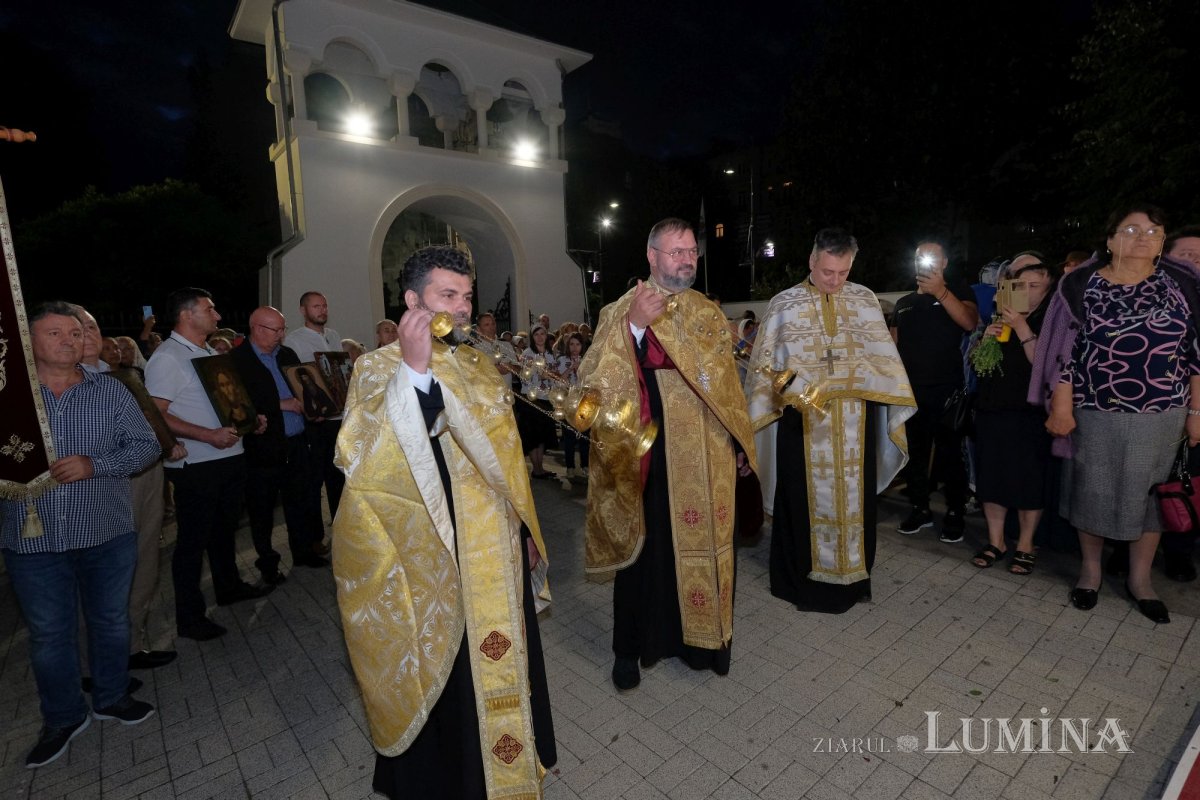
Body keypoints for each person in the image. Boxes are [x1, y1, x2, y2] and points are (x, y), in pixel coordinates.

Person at [333, 245, 555, 799]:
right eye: (447, 295)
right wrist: (413, 370)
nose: (461, 308)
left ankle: (512, 761)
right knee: (449, 670)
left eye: (467, 296)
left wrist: (525, 530)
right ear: (412, 300)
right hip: (435, 552)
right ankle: (455, 779)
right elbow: (366, 465)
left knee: (507, 661)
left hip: (496, 544)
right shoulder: (375, 368)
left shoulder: (477, 364)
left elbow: (505, 463)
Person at [579, 218, 756, 690]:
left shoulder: (707, 312)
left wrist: (739, 441)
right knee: (644, 550)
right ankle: (629, 650)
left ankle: (707, 642)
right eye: (675, 251)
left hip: (708, 450)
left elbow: (728, 387)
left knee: (712, 546)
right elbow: (593, 382)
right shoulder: (621, 309)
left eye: (691, 251)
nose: (686, 259)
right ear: (652, 256)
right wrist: (636, 326)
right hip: (650, 450)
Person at [2, 302, 160, 768]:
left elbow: (145, 446)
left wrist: (96, 465)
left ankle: (111, 696)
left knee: (111, 621)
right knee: (50, 636)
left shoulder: (107, 392)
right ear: (28, 344)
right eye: (55, 334)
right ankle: (64, 716)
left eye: (75, 333)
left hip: (105, 532)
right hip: (33, 540)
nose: (70, 341)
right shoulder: (10, 399)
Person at [1031, 204, 1200, 624]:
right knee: (1093, 491)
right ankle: (1090, 572)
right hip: (1094, 411)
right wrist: (1062, 405)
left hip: (1164, 414)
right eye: (1131, 229)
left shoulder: (1182, 283)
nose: (1143, 237)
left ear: (1163, 242)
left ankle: (1141, 580)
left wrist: (1197, 410)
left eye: (1154, 231)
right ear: (1109, 240)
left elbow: (1197, 354)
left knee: (1150, 500)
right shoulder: (1080, 284)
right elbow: (1063, 353)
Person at [747, 228, 915, 614]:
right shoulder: (783, 304)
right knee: (800, 501)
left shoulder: (865, 300)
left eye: (842, 273)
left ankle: (853, 581)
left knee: (856, 502)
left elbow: (883, 362)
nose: (835, 281)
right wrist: (784, 386)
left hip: (855, 422)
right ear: (812, 262)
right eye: (827, 272)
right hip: (801, 424)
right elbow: (763, 368)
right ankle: (799, 584)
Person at [146, 288, 273, 641]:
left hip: (229, 457)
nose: (217, 316)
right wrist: (206, 435)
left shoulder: (204, 352)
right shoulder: (168, 357)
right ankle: (189, 617)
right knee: (192, 542)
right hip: (199, 464)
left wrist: (250, 421)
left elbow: (223, 401)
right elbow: (157, 412)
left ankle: (228, 586)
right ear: (187, 315)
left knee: (223, 531)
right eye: (209, 309)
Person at [72, 305, 180, 673]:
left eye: (91, 326)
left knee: (145, 560)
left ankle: (132, 646)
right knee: (104, 573)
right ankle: (95, 666)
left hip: (145, 473)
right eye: (77, 328)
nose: (86, 335)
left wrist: (167, 443)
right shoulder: (61, 383)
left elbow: (149, 420)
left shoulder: (121, 377)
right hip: (102, 485)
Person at [889, 238, 979, 542]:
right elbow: (894, 349)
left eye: (931, 257)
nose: (924, 262)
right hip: (912, 392)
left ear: (944, 264)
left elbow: (969, 322)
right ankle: (920, 507)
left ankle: (955, 511)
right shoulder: (903, 304)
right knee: (914, 454)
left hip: (947, 391)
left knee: (951, 453)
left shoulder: (958, 292)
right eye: (919, 258)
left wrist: (941, 290)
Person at [231, 307, 329, 584]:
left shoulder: (286, 355)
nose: (282, 335)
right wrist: (280, 405)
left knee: (299, 500)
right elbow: (238, 404)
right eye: (277, 330)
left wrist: (313, 407)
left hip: (297, 441)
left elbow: (303, 387)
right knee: (262, 509)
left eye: (283, 329)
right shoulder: (237, 360)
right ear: (258, 328)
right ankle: (267, 565)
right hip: (263, 445)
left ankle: (302, 551)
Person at [970, 259, 1054, 574]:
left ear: (1047, 291)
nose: (1028, 292)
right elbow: (979, 366)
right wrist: (986, 338)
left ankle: (1026, 543)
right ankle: (996, 541)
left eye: (1035, 286)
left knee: (1028, 479)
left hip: (1030, 412)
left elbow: (1045, 367)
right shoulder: (998, 315)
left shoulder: (1051, 319)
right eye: (1021, 286)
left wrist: (1021, 327)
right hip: (993, 408)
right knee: (992, 476)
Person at [285, 291, 346, 526]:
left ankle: (341, 527)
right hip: (317, 419)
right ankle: (315, 535)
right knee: (314, 479)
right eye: (315, 306)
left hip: (338, 415)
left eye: (324, 306)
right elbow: (297, 379)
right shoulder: (294, 340)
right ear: (303, 310)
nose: (322, 310)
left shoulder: (333, 335)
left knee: (338, 476)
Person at [517, 323, 559, 479]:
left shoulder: (550, 353)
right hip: (532, 398)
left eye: (542, 334)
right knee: (533, 436)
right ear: (532, 337)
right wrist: (537, 375)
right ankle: (536, 468)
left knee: (542, 436)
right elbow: (524, 376)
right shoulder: (528, 353)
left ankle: (540, 467)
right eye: (536, 334)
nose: (540, 337)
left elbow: (555, 373)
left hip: (546, 397)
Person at [556, 331, 590, 479]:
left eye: (577, 344)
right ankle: (570, 467)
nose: (575, 348)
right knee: (569, 436)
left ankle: (585, 465)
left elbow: (591, 382)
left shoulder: (587, 360)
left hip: (584, 402)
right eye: (571, 344)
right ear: (567, 346)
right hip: (568, 402)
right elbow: (558, 380)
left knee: (584, 436)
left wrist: (580, 370)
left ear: (582, 346)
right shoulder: (562, 360)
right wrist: (571, 369)